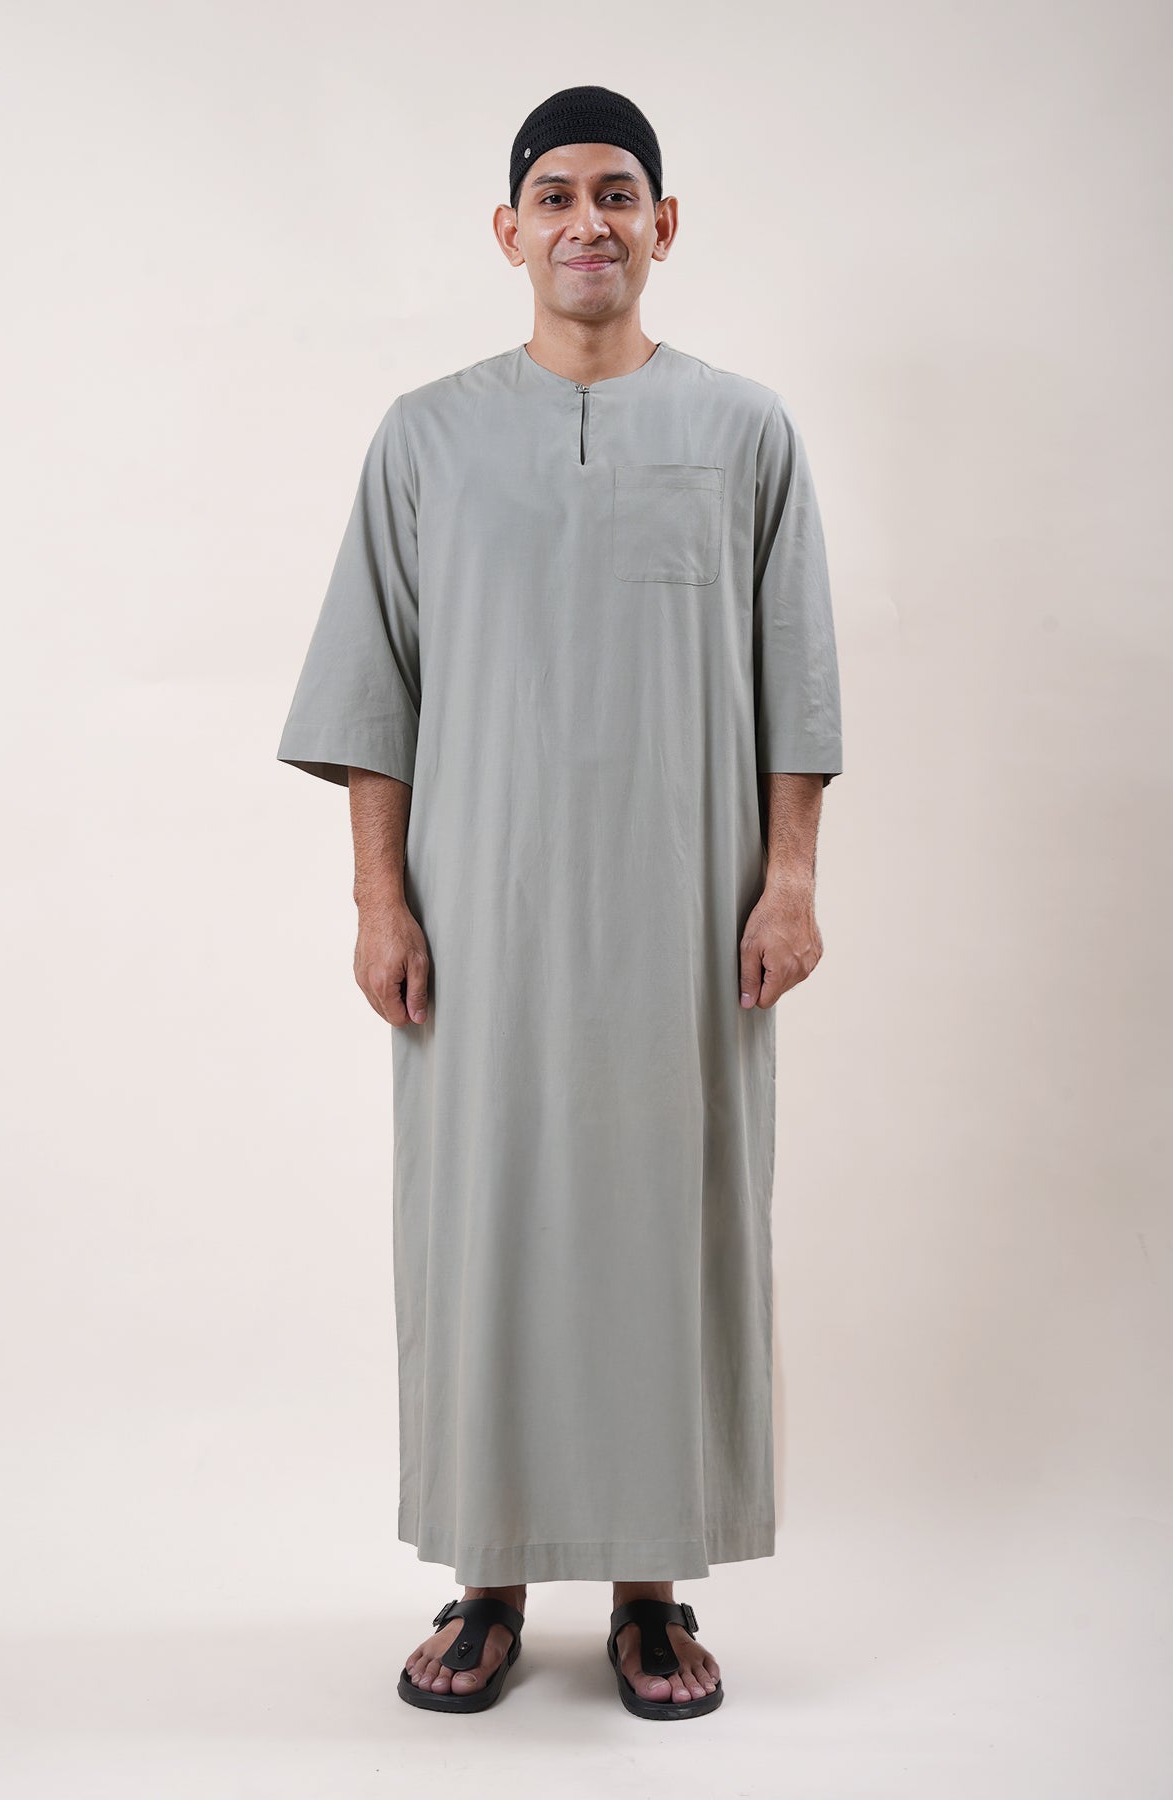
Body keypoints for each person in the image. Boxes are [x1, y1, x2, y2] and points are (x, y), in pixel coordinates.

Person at [276, 84, 843, 1721]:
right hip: (484, 924)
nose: (586, 220)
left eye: (616, 193)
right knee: (485, 1230)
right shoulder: (426, 437)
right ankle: (489, 1578)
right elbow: (373, 692)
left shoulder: (745, 432)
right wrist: (379, 903)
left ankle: (653, 1591)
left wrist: (789, 880)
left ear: (664, 225)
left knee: (672, 1229)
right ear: (508, 230)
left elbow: (795, 679)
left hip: (685, 925)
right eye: (555, 194)